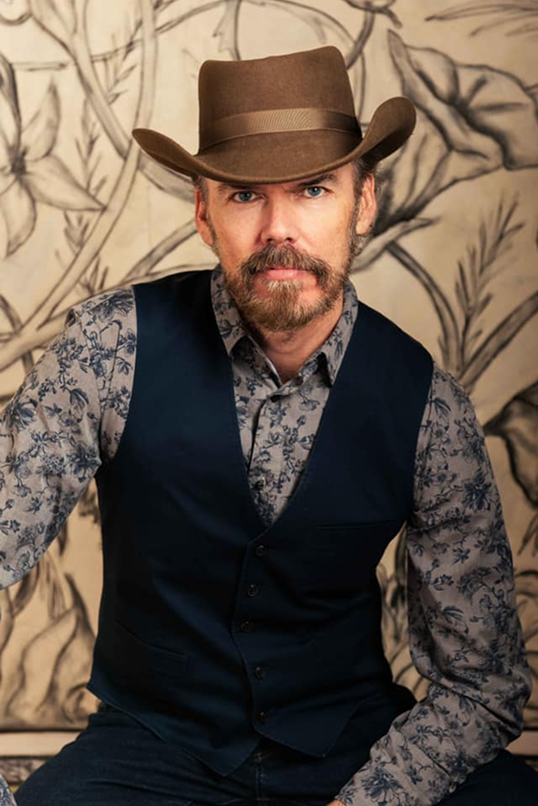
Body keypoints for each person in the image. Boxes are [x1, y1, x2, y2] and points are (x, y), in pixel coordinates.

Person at [2, 46, 537, 806]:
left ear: (364, 202)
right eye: (246, 195)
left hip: (351, 746)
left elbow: (484, 684)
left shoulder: (428, 406)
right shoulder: (111, 347)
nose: (279, 228)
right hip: (149, 749)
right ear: (204, 213)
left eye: (314, 189)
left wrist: (368, 802)